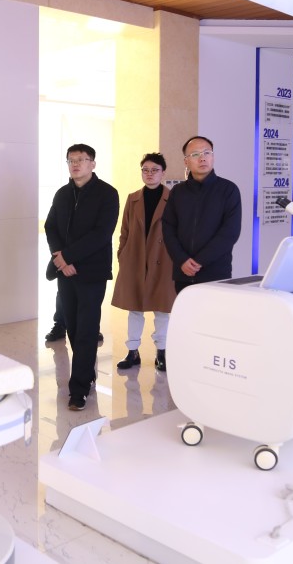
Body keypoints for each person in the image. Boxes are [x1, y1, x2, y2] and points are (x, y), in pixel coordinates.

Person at [44, 144, 119, 411]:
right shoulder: (62, 194)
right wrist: (60, 259)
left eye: (81, 160)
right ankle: (86, 372)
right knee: (74, 327)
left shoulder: (107, 193)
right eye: (71, 160)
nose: (75, 164)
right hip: (65, 271)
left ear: (92, 164)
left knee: (87, 328)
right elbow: (51, 226)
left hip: (91, 272)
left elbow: (102, 233)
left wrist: (68, 257)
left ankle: (79, 389)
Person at [111, 153, 175, 372]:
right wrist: (123, 254)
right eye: (145, 170)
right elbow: (125, 230)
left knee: (162, 310)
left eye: (154, 170)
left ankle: (161, 352)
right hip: (135, 259)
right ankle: (132, 352)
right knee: (134, 308)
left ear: (163, 173)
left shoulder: (173, 198)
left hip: (163, 260)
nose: (149, 174)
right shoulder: (133, 198)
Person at [163, 136, 242, 301]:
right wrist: (182, 260)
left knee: (215, 316)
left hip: (216, 274)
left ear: (213, 157)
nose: (202, 158)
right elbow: (168, 228)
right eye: (195, 154)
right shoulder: (177, 192)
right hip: (183, 274)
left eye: (207, 152)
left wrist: (199, 261)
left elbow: (230, 233)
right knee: (187, 316)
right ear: (186, 161)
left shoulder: (228, 190)